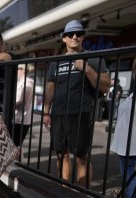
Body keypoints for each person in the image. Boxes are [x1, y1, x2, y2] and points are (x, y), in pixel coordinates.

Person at [43, 20, 111, 186]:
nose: (75, 36)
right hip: (58, 114)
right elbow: (50, 89)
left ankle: (82, 193)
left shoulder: (93, 59)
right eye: (70, 34)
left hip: (81, 113)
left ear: (82, 38)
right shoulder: (56, 62)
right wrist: (46, 111)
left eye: (79, 34)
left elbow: (105, 86)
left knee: (81, 157)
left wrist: (87, 68)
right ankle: (65, 189)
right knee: (61, 154)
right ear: (64, 38)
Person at [110, 92, 136, 198]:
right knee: (127, 177)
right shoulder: (131, 95)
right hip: (123, 146)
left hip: (132, 147)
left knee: (131, 178)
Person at [14, 64, 34, 147]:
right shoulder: (19, 82)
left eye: (18, 68)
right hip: (16, 118)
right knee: (13, 146)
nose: (16, 70)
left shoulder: (28, 83)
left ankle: (17, 160)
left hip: (22, 119)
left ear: (24, 70)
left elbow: (21, 102)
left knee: (16, 146)